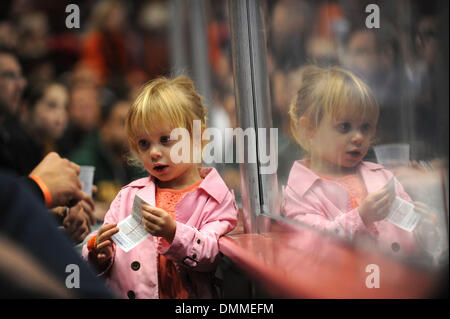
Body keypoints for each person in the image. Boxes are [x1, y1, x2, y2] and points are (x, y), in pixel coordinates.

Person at [82, 76, 238, 299]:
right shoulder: (127, 197)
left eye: (165, 139)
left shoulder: (214, 198)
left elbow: (211, 255)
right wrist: (98, 254)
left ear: (197, 136)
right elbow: (104, 250)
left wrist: (174, 233)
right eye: (144, 143)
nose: (154, 152)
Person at [281, 65, 440, 260]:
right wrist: (361, 218)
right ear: (309, 129)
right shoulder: (300, 192)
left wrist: (423, 233)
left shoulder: (383, 177)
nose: (358, 137)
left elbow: (407, 241)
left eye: (365, 127)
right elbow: (312, 245)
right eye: (344, 127)